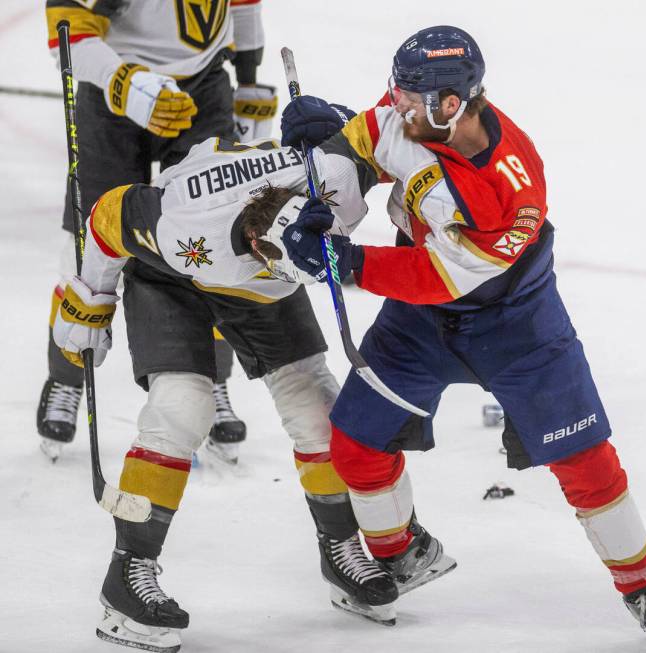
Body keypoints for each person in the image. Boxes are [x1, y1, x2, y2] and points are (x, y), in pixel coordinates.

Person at [278, 26, 646, 652]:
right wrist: (327, 160)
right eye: (396, 92)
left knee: (585, 459)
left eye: (407, 97)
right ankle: (403, 553)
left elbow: (435, 276)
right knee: (355, 441)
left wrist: (341, 262)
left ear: (451, 104)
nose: (395, 105)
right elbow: (367, 137)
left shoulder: (509, 191)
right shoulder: (420, 113)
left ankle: (644, 587)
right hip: (421, 322)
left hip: (517, 324)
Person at [51, 135, 404, 651]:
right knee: (181, 406)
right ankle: (127, 575)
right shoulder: (180, 222)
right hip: (172, 276)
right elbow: (108, 215)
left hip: (265, 282)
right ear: (261, 245)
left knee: (317, 407)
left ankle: (339, 547)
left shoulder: (331, 178)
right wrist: (89, 301)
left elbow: (385, 132)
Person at [39, 0, 277, 463]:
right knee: (87, 246)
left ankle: (211, 380)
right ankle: (67, 376)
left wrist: (247, 81)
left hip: (204, 88)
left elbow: (243, 4)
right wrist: (122, 83)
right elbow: (67, 34)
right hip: (111, 97)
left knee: (211, 239)